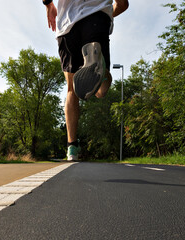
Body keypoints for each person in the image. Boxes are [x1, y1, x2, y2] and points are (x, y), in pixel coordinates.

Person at [43, 0, 129, 160]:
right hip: (96, 18)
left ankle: (72, 148)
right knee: (100, 92)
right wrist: (109, 13)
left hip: (67, 27)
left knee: (71, 90)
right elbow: (123, 4)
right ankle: (100, 71)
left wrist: (48, 4)